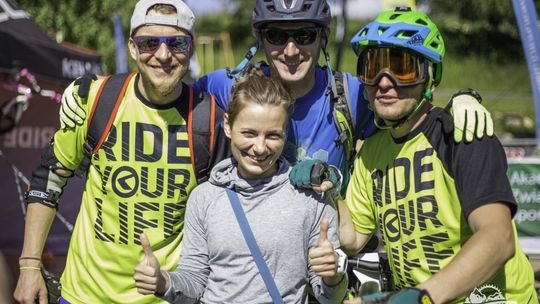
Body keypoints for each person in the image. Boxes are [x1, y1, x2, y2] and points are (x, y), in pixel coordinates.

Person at [58, 0, 494, 196]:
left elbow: (407, 110)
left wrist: (462, 101)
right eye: (277, 36)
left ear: (321, 38)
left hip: (324, 259)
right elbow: (160, 82)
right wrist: (92, 88)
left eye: (303, 35)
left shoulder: (352, 94)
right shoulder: (226, 87)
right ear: (261, 40)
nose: (290, 50)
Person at [13, 1, 228, 303]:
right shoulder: (96, 99)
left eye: (176, 43)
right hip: (83, 295)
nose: (163, 55)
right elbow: (48, 178)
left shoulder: (210, 118)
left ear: (191, 48)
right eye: (149, 42)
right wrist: (29, 265)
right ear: (131, 47)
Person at [339, 7, 538, 304]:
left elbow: (498, 239)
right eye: (372, 67)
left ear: (430, 77)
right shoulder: (372, 152)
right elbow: (352, 238)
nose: (383, 81)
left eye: (402, 67)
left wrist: (422, 296)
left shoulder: (462, 134)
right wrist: (328, 184)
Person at [133, 69, 348, 303]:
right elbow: (194, 281)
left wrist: (333, 275)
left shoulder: (311, 197)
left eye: (273, 136)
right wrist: (164, 282)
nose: (259, 147)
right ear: (228, 125)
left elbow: (330, 297)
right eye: (249, 133)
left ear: (286, 134)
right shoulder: (204, 198)